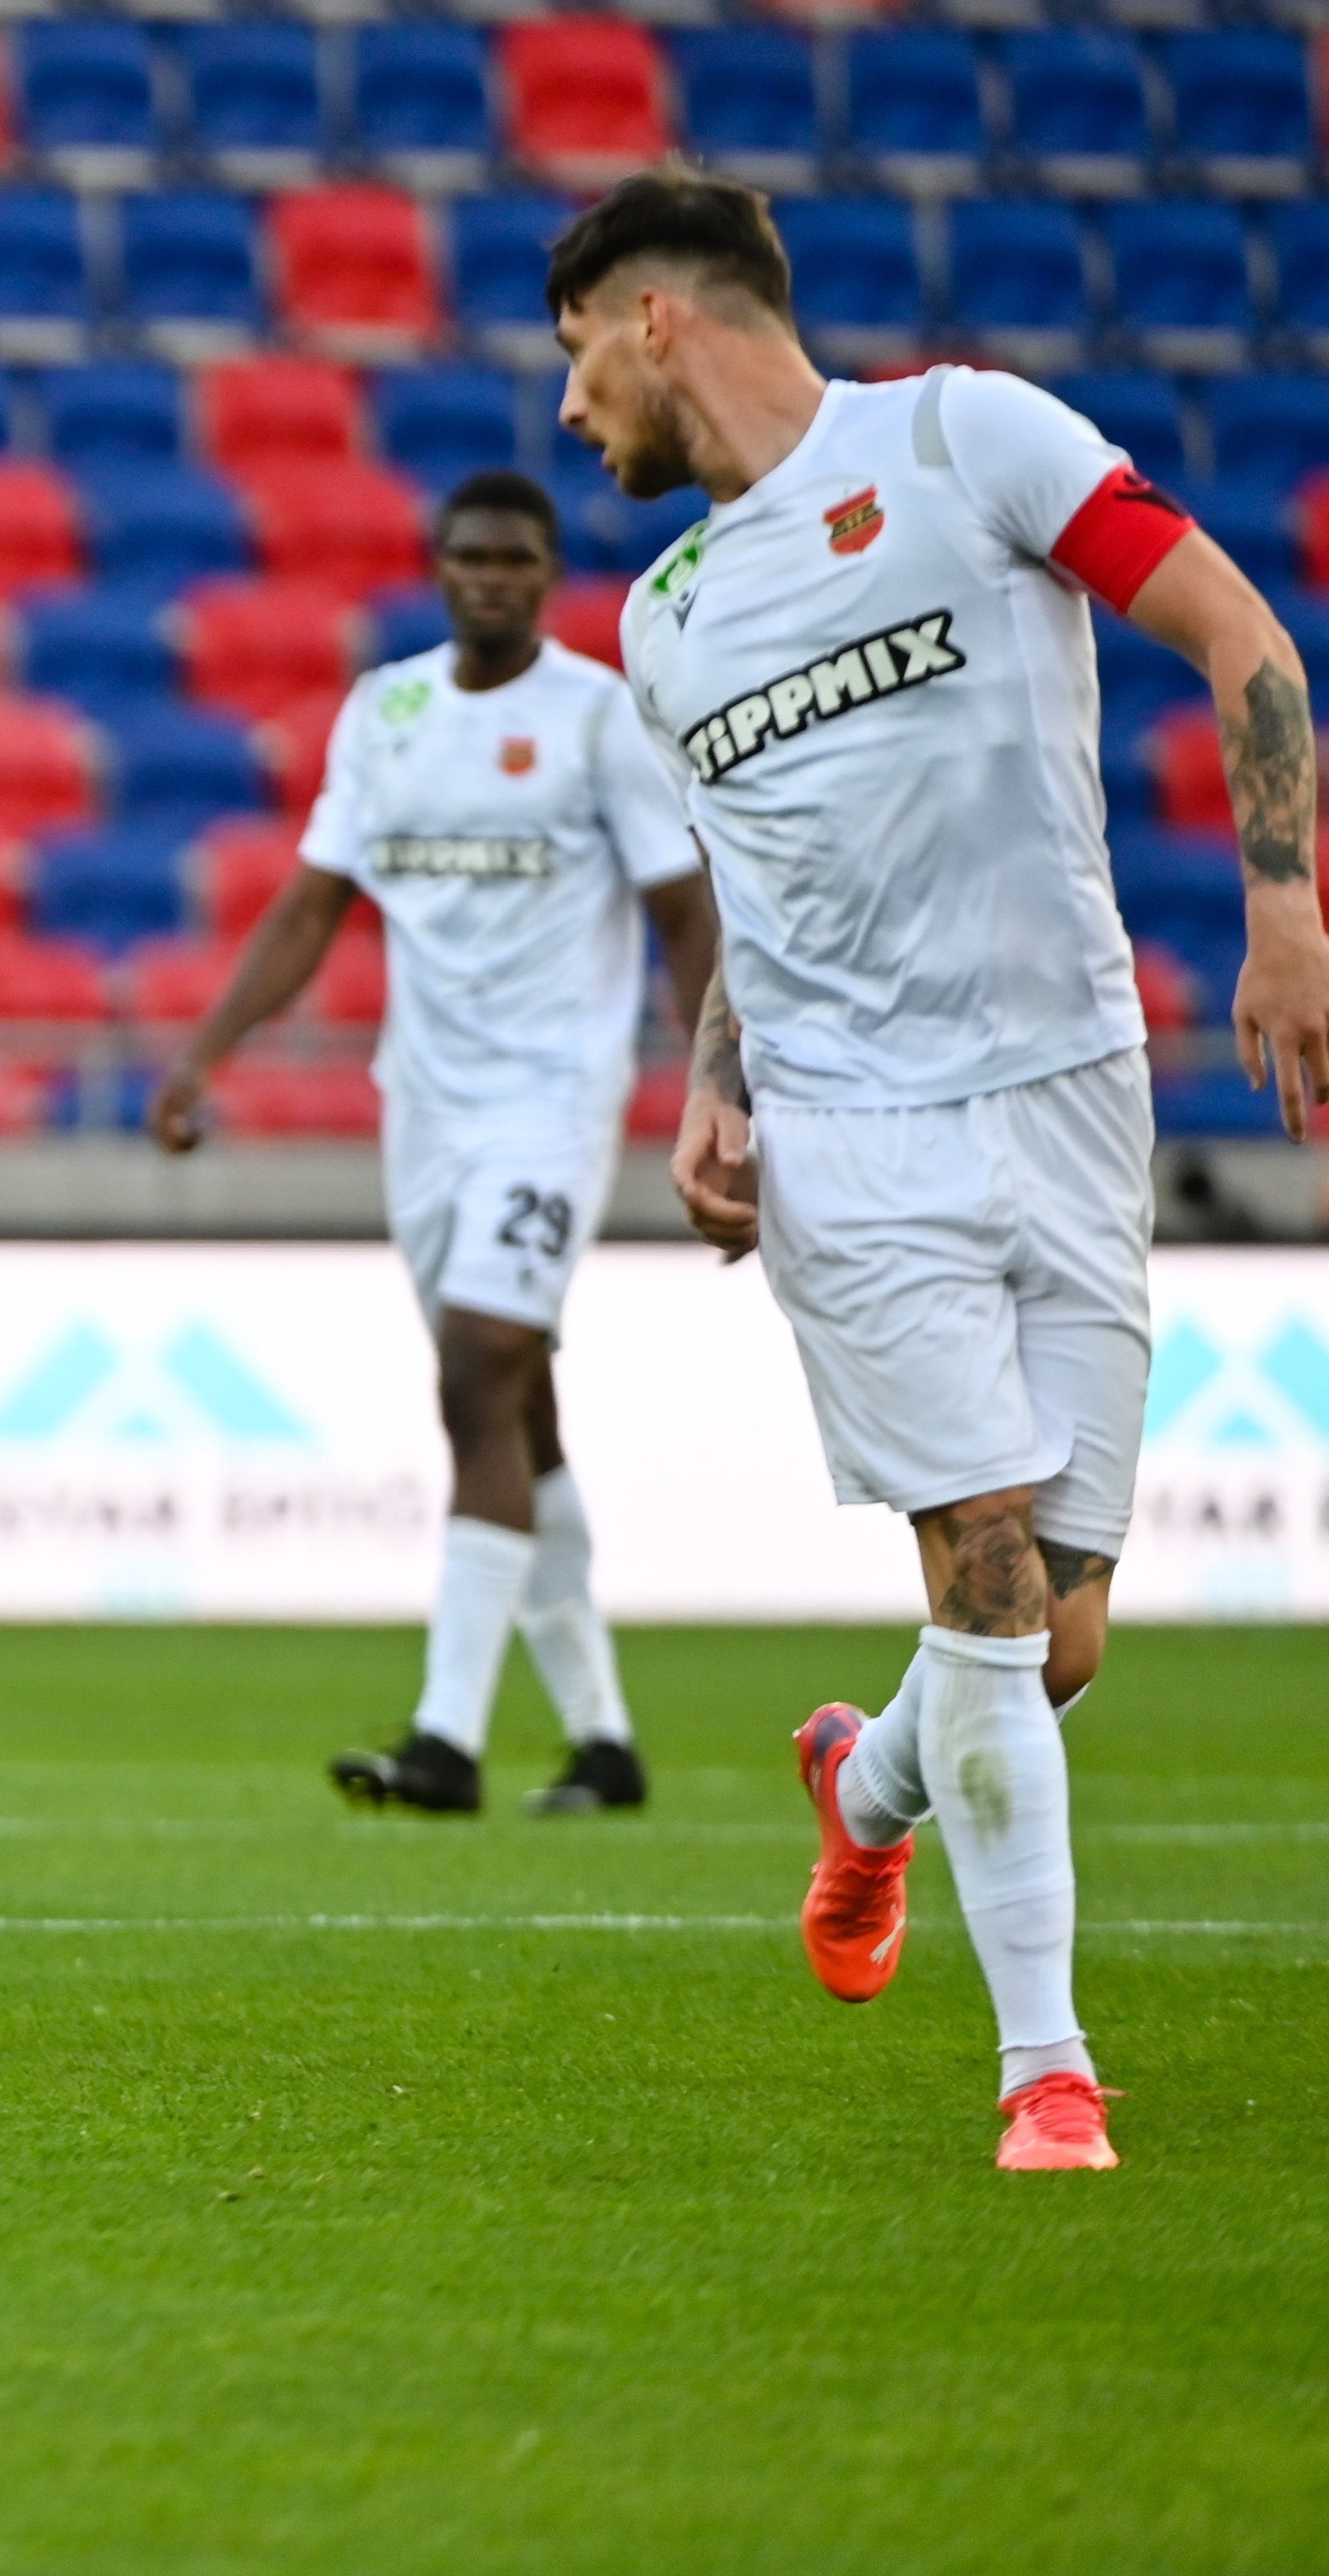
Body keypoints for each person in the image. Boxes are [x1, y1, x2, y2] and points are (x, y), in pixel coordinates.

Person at [551, 172, 1329, 2171]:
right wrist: (715, 1082)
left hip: (1067, 1084)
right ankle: (1044, 2074)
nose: (567, 409)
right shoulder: (663, 618)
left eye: (572, 353)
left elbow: (1240, 634)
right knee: (980, 1571)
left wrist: (1285, 911)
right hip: (852, 1134)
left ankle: (864, 1790)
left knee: (1054, 1640)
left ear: (654, 318)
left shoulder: (963, 440)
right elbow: (755, 885)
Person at [153, 471, 722, 1818]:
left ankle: (445, 1740)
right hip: (421, 1106)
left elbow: (681, 911)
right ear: (438, 565)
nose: (490, 578)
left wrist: (722, 1086)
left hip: (549, 1104)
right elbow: (312, 903)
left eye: (515, 558)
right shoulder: (386, 711)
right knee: (511, 1405)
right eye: (469, 556)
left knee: (475, 1368)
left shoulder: (597, 717)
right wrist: (203, 1053)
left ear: (547, 572)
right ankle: (601, 1739)